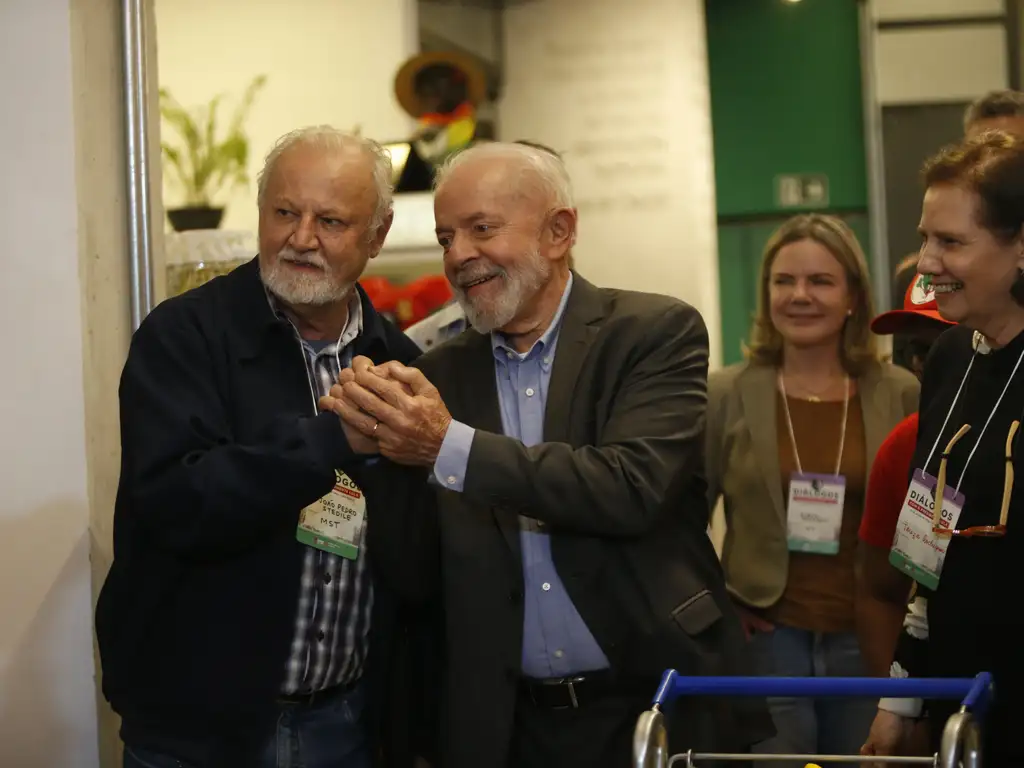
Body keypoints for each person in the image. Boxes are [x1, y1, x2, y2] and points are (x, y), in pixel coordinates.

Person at [321, 141, 772, 768]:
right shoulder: (437, 376)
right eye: (447, 237)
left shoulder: (652, 334)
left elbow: (629, 487)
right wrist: (369, 449)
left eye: (482, 229)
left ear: (559, 232)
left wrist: (444, 445)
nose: (459, 256)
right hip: (505, 726)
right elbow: (416, 569)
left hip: (652, 703)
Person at [95, 127, 431, 768]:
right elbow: (176, 501)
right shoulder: (185, 336)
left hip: (346, 725)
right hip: (196, 734)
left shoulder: (399, 364)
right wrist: (333, 440)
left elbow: (416, 560)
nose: (301, 239)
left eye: (330, 221)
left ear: (377, 237)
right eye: (284, 212)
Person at [704, 214, 919, 763]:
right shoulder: (723, 392)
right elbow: (681, 520)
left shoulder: (901, 393)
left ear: (853, 296)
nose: (800, 296)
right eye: (784, 281)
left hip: (868, 638)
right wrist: (719, 604)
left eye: (820, 281)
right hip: (765, 639)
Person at [861, 131, 1024, 764]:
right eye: (925, 237)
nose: (926, 262)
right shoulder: (951, 358)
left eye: (951, 242)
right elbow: (929, 549)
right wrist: (902, 699)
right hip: (960, 703)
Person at [855, 273, 955, 677]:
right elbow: (880, 592)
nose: (921, 361)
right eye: (915, 346)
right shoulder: (905, 446)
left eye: (942, 343)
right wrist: (897, 704)